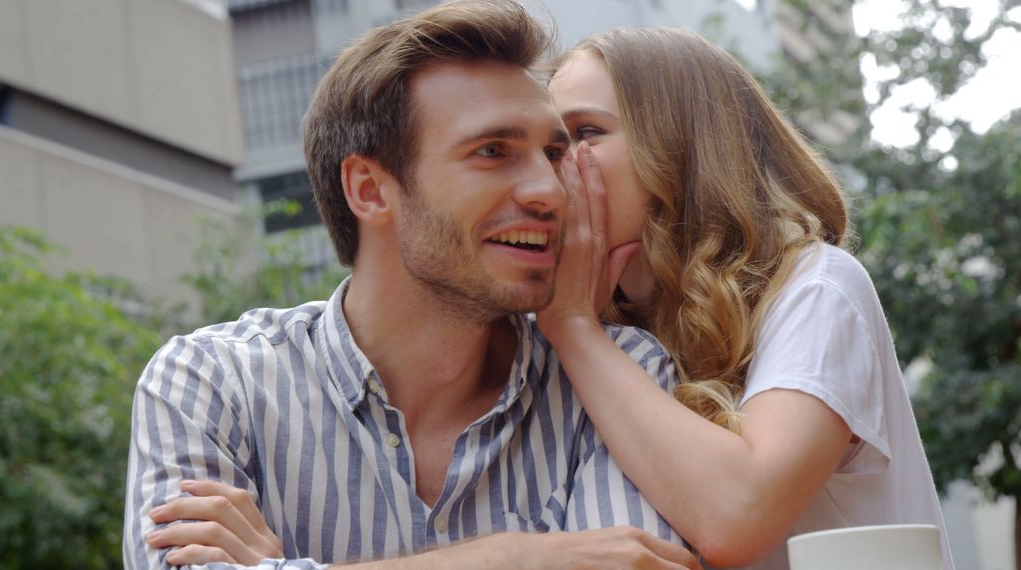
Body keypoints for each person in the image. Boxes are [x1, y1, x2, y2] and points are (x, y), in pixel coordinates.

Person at [123, 3, 700, 569]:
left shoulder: (618, 378)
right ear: (370, 190)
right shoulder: (211, 381)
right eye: (493, 151)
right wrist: (518, 557)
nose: (550, 190)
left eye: (552, 152)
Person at [540, 26, 954, 569]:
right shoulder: (598, 317)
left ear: (680, 141)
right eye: (551, 144)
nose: (558, 163)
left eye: (586, 132)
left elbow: (737, 514)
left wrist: (573, 328)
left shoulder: (818, 286)